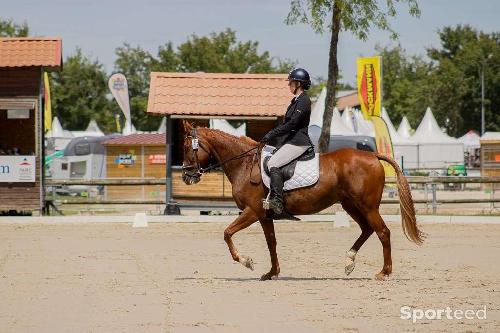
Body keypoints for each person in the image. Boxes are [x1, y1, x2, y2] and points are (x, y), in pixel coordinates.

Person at [260, 68, 314, 215]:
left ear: (298, 83)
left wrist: (271, 133)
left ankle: (277, 202)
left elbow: (292, 124)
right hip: (290, 141)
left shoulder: (304, 101)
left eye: (290, 82)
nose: (288, 85)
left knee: (273, 163)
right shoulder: (295, 101)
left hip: (299, 142)